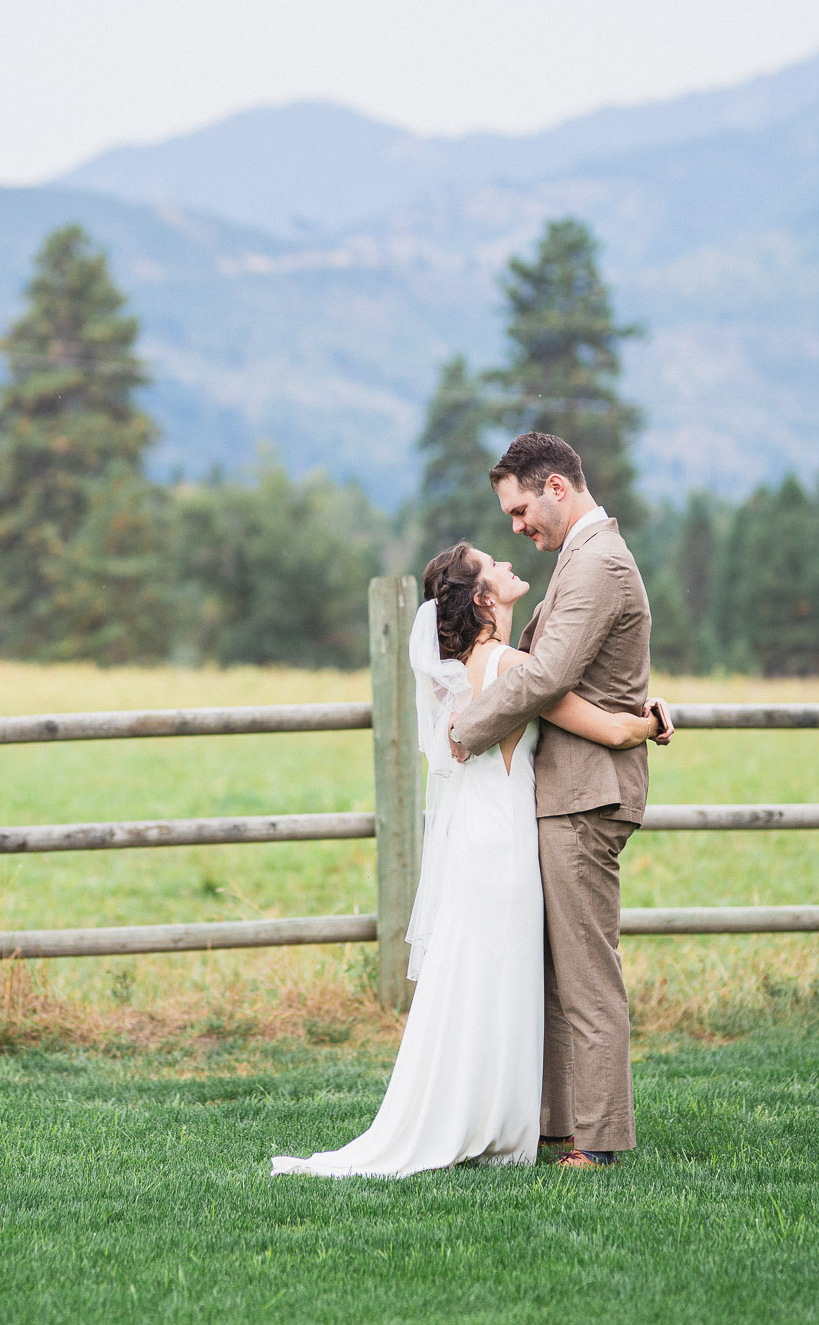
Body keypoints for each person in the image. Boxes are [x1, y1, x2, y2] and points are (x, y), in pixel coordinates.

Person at [270, 539, 669, 1179]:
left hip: (474, 844)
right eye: (493, 565)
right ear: (484, 599)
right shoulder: (514, 668)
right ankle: (496, 1121)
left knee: (479, 978)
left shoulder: (460, 674)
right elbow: (614, 730)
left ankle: (484, 1114)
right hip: (506, 843)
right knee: (504, 979)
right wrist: (654, 722)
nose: (508, 562)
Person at [450, 432, 654, 1170]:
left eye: (519, 509)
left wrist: (465, 729)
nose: (517, 527)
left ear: (557, 488)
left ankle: (598, 1141)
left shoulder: (599, 561)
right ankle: (556, 1124)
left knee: (587, 973)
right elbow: (591, 673)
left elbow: (547, 674)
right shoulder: (582, 556)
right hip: (567, 789)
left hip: (586, 793)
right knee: (559, 974)